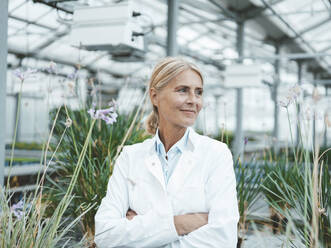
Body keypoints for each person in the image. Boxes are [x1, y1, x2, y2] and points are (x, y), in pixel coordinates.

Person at [94, 57, 239, 248]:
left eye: (199, 92)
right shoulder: (130, 156)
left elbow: (223, 239)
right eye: (182, 90)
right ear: (154, 96)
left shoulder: (216, 154)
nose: (193, 100)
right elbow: (105, 233)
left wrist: (143, 232)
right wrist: (181, 223)